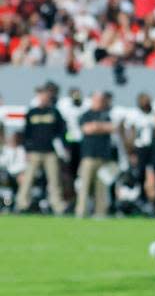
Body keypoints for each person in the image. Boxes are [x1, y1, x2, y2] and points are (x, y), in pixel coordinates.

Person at [16, 85, 68, 215]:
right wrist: (27, 150)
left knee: (54, 181)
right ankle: (22, 204)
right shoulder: (32, 112)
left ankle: (57, 206)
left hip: (51, 152)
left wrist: (63, 148)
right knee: (28, 179)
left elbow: (62, 131)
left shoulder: (54, 112)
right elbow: (26, 133)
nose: (43, 98)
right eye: (41, 95)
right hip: (34, 151)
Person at [76, 92, 116, 218]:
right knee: (85, 186)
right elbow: (87, 129)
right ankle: (81, 212)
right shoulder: (86, 115)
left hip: (103, 157)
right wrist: (101, 127)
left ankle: (100, 213)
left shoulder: (106, 114)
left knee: (102, 188)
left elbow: (112, 128)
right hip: (89, 156)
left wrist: (96, 127)